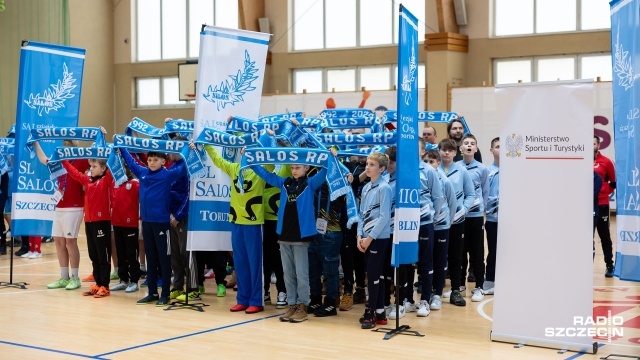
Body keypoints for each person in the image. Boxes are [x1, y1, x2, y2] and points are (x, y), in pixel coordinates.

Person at [251, 151, 331, 323]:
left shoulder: (310, 184)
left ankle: (303, 305)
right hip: (284, 235)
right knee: (288, 273)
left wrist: (330, 156)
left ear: (306, 168)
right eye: (292, 167)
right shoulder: (284, 183)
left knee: (301, 273)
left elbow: (324, 171)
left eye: (298, 168)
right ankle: (292, 304)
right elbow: (265, 175)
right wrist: (251, 162)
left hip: (301, 236)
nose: (294, 171)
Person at [198, 143, 272, 314]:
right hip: (236, 222)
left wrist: (265, 143)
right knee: (240, 263)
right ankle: (243, 299)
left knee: (255, 264)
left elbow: (269, 164)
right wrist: (207, 143)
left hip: (254, 223)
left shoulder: (259, 170)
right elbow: (217, 160)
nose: (246, 153)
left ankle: (256, 300)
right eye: (244, 150)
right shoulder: (234, 168)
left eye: (250, 151)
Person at [119, 147, 187, 306]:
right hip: (147, 222)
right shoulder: (143, 173)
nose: (152, 163)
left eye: (156, 160)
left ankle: (165, 294)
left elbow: (185, 167)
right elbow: (130, 161)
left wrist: (189, 150)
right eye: (149, 160)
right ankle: (152, 292)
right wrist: (122, 146)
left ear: (164, 161)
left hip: (162, 223)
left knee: (164, 259)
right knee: (151, 258)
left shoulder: (167, 175)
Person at [34, 140, 87, 290]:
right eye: (64, 146)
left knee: (71, 242)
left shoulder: (81, 160)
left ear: (75, 147)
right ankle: (64, 277)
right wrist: (35, 143)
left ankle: (75, 278)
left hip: (74, 207)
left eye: (69, 145)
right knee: (59, 241)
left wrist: (100, 135)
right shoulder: (58, 161)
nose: (66, 148)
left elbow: (96, 153)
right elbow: (43, 159)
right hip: (60, 206)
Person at [62, 158, 113, 298]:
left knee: (103, 255)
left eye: (94, 166)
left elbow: (112, 164)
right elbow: (75, 173)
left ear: (103, 169)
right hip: (89, 222)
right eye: (90, 166)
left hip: (102, 221)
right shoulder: (88, 181)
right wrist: (64, 162)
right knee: (93, 254)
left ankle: (105, 286)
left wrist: (113, 152)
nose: (91, 168)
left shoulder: (106, 180)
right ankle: (97, 284)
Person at [357, 151, 392, 329]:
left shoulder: (384, 188)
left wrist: (369, 238)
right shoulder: (365, 188)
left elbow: (384, 216)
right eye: (367, 163)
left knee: (373, 275)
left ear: (382, 169)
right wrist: (359, 236)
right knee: (374, 274)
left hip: (379, 238)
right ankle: (380, 312)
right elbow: (361, 214)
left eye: (372, 165)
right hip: (365, 238)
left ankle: (371, 310)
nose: (367, 167)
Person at [438, 139, 475, 307]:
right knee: (436, 256)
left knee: (456, 256)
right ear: (438, 151)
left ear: (455, 152)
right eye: (443, 149)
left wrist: (463, 210)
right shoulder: (434, 170)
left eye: (450, 150)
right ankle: (434, 291)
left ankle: (455, 290)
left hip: (457, 221)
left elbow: (470, 194)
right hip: (437, 221)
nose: (446, 152)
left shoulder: (462, 171)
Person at [309, 172, 350, 317]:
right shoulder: (312, 175)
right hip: (313, 231)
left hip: (331, 231)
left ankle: (331, 303)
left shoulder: (340, 178)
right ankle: (315, 299)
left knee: (330, 271)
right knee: (312, 269)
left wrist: (348, 180)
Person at [424, 149, 456, 311]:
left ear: (438, 163)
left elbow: (452, 203)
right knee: (426, 260)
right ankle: (427, 291)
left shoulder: (445, 180)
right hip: (426, 226)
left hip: (441, 227)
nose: (429, 164)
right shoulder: (422, 178)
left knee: (440, 261)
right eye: (426, 161)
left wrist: (446, 223)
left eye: (432, 161)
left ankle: (437, 293)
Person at [459, 134, 489, 302]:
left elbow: (485, 192)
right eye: (466, 143)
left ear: (476, 149)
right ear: (461, 148)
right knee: (460, 251)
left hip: (476, 216)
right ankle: (460, 285)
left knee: (477, 252)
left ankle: (479, 286)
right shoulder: (456, 167)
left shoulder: (482, 169)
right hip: (460, 217)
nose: (469, 146)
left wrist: (481, 210)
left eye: (472, 144)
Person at [339, 148, 369, 310]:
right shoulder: (350, 165)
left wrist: (369, 169)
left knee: (362, 256)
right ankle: (348, 291)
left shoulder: (377, 168)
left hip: (368, 219)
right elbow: (352, 182)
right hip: (349, 217)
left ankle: (361, 290)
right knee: (347, 255)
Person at [109, 163, 142, 293]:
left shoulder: (135, 183)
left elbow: (139, 201)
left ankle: (134, 281)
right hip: (117, 223)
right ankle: (123, 280)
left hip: (130, 225)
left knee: (132, 254)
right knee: (120, 253)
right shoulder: (114, 183)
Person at [262, 164, 291, 308]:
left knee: (279, 259)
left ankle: (282, 291)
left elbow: (288, 154)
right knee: (265, 259)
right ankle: (264, 291)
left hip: (279, 222)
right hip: (262, 220)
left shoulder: (285, 168)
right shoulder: (264, 167)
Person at [593, 135, 616, 277]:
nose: (591, 146)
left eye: (593, 144)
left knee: (605, 236)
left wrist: (603, 192)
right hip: (585, 206)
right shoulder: (581, 161)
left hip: (601, 205)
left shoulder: (606, 162)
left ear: (598, 146)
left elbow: (613, 183)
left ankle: (609, 265)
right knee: (586, 237)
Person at [484, 137, 500, 295]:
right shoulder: (487, 172)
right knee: (493, 250)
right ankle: (489, 280)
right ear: (491, 150)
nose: (500, 149)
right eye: (497, 146)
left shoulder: (515, 173)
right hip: (492, 219)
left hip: (512, 220)